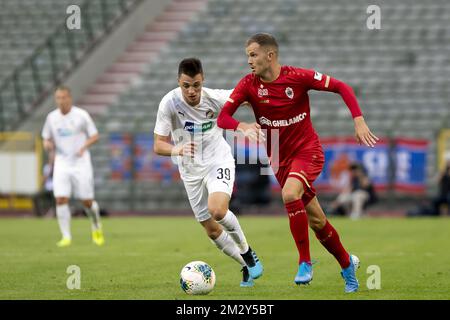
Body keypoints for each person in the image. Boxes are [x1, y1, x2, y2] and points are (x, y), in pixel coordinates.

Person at [217, 33, 378, 292]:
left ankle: (305, 262)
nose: (249, 60)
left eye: (253, 54)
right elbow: (223, 118)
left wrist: (358, 120)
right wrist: (242, 125)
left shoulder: (298, 77)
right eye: (247, 55)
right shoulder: (248, 84)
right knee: (317, 221)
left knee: (290, 193)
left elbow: (341, 86)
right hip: (279, 159)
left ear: (270, 55)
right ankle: (348, 264)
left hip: (307, 151)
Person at [153, 58, 263, 287]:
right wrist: (177, 149)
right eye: (186, 86)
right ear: (178, 82)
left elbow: (248, 97)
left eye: (196, 85)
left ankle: (247, 252)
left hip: (217, 161)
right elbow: (158, 145)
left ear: (203, 80)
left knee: (218, 210)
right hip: (190, 171)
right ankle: (244, 266)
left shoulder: (215, 98)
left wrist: (259, 114)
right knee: (212, 230)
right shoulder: (169, 103)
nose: (191, 91)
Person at [42, 86, 104, 247]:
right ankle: (66, 236)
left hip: (80, 163)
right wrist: (48, 145)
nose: (61, 101)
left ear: (70, 98)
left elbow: (95, 135)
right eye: (58, 98)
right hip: (62, 163)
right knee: (61, 198)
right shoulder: (51, 118)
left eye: (64, 97)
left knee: (87, 202)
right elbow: (46, 138)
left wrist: (84, 146)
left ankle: (96, 227)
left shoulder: (81, 115)